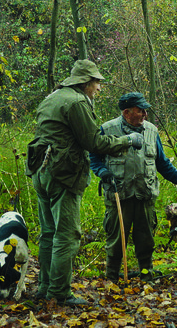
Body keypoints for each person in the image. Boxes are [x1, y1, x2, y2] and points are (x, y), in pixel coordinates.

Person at [25, 60, 144, 306]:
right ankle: (59, 294)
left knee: (48, 233)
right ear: (86, 82)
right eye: (97, 82)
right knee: (67, 235)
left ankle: (45, 288)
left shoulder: (52, 97)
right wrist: (128, 141)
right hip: (63, 173)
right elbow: (95, 143)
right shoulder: (77, 102)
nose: (99, 88)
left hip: (40, 171)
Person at [89, 92, 177, 282]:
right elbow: (94, 158)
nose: (145, 114)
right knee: (116, 240)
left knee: (146, 240)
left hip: (145, 195)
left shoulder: (152, 131)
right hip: (119, 195)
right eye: (140, 110)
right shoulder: (107, 129)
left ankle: (146, 275)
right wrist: (103, 172)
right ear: (127, 112)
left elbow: (162, 163)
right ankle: (112, 278)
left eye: (146, 110)